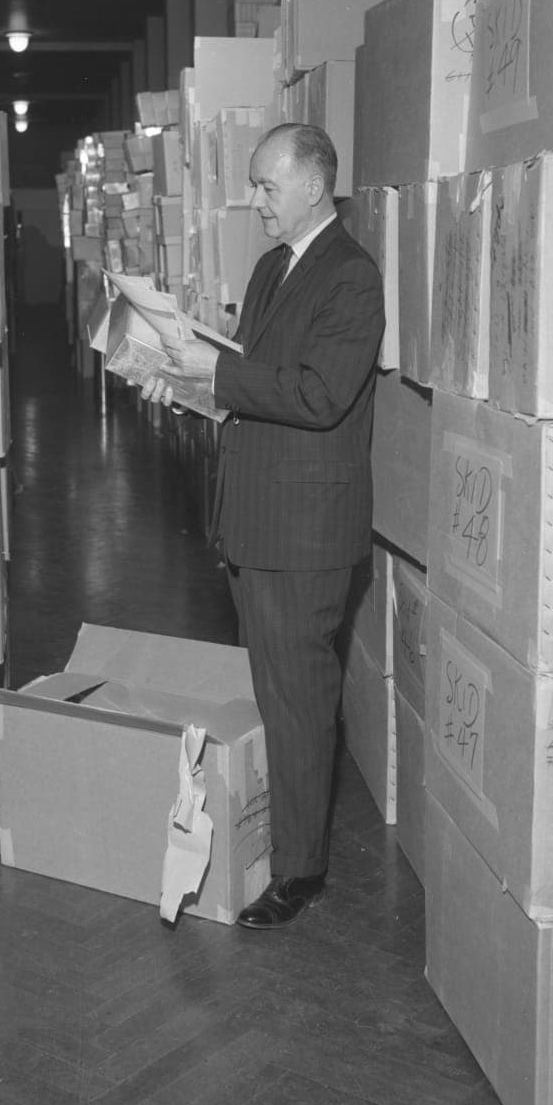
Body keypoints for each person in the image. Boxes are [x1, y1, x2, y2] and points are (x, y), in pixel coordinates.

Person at [140, 123, 385, 928]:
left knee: (299, 700)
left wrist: (220, 371)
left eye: (266, 185)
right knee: (279, 694)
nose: (255, 200)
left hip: (304, 531)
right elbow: (252, 387)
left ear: (313, 185)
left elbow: (318, 395)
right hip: (258, 520)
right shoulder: (272, 267)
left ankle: (301, 872)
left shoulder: (351, 276)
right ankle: (286, 844)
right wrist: (185, 385)